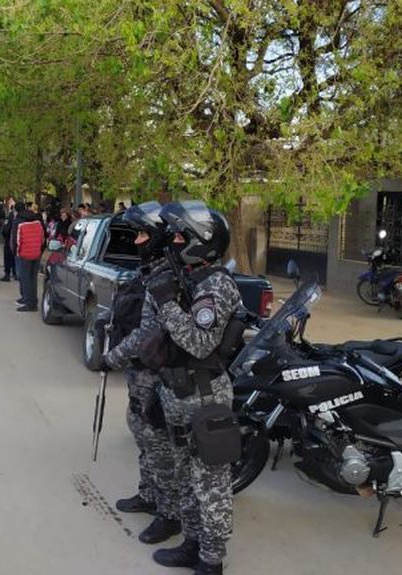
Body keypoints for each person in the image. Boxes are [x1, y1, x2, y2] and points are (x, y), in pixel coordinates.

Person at [144, 201, 241, 575]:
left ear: (202, 242)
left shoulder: (216, 285)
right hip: (178, 392)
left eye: (182, 235)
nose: (174, 241)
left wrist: (168, 304)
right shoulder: (191, 279)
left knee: (211, 483)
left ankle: (211, 560)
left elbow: (200, 344)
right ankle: (191, 543)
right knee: (186, 476)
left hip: (205, 396)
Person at [102, 201, 182, 545]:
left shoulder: (167, 277)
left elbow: (149, 331)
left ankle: (170, 514)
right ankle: (149, 494)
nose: (137, 241)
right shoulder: (150, 270)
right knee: (142, 434)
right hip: (140, 372)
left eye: (144, 234)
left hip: (156, 372)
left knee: (160, 445)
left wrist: (113, 356)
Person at [14, 202, 45, 312]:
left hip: (25, 255)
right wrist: (40, 251)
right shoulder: (38, 224)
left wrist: (17, 253)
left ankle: (28, 302)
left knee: (25, 278)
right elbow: (42, 239)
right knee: (33, 278)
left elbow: (17, 241)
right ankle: (34, 301)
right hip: (36, 254)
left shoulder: (20, 225)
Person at [0, 201, 17, 282]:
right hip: (19, 241)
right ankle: (15, 273)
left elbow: (5, 229)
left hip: (9, 239)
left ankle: (7, 274)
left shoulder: (10, 217)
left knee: (8, 257)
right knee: (15, 257)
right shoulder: (25, 218)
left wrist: (4, 235)